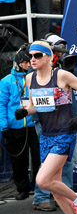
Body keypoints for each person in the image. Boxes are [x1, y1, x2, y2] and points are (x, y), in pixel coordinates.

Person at [15, 41, 77, 214]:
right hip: (46, 135)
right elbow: (34, 105)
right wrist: (25, 111)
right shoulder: (29, 77)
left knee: (42, 180)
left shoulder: (61, 75)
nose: (32, 59)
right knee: (54, 185)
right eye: (30, 55)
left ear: (49, 57)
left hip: (64, 132)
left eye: (37, 55)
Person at [0, 50, 41, 203]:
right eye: (25, 62)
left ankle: (40, 188)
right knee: (19, 161)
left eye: (29, 62)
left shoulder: (35, 77)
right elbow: (1, 105)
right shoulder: (6, 81)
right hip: (14, 127)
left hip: (33, 124)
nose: (28, 64)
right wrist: (4, 127)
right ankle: (22, 189)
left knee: (39, 158)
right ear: (17, 63)